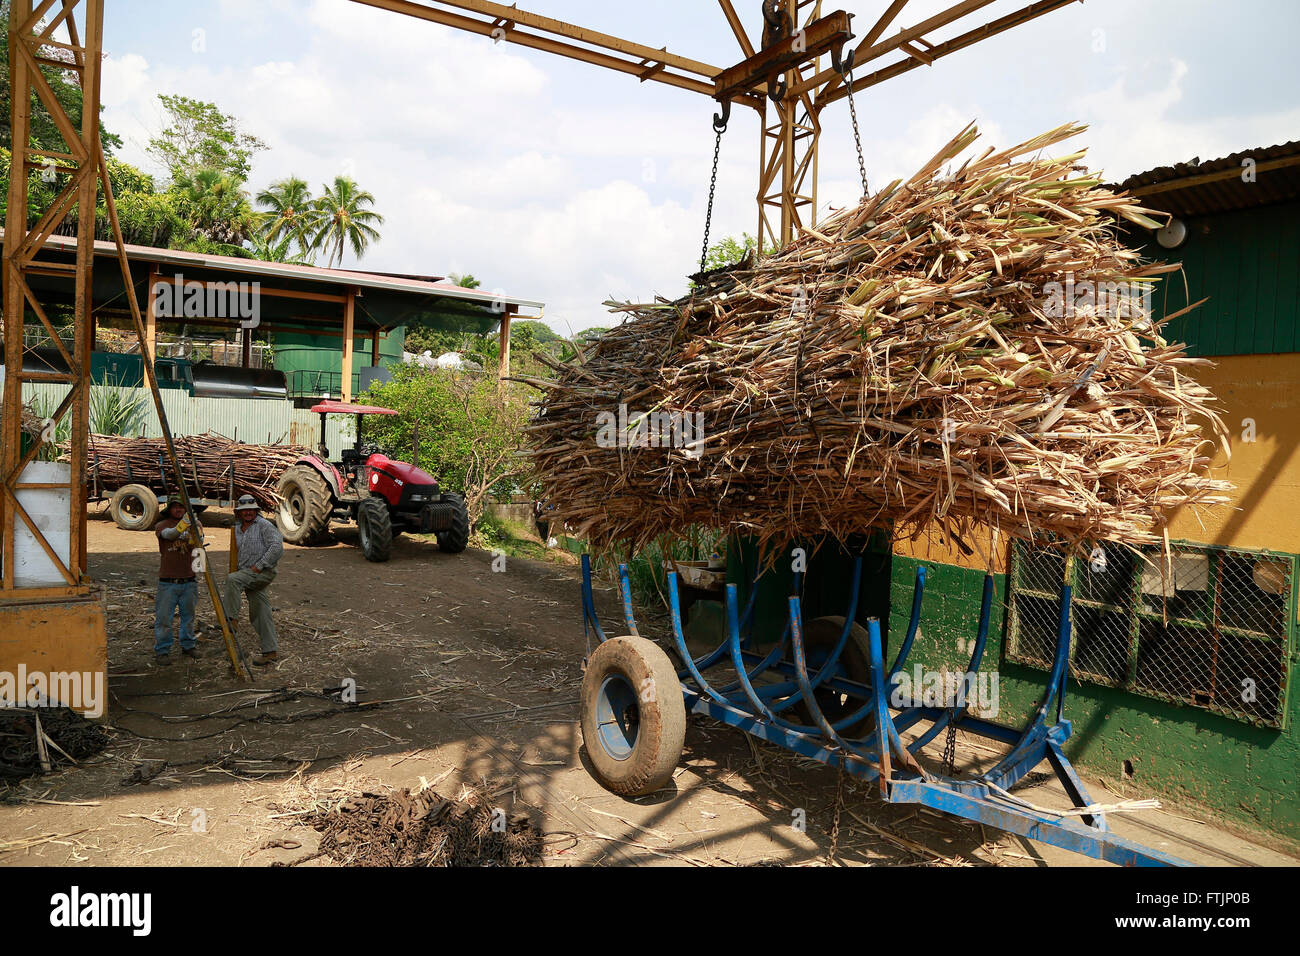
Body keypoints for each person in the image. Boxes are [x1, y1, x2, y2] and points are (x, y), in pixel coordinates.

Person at [224, 495, 284, 666]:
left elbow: (277, 547)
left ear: (256, 511)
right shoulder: (237, 528)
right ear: (239, 513)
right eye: (244, 510)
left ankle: (231, 621)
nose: (248, 513)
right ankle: (270, 651)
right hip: (247, 574)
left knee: (232, 580)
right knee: (261, 612)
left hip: (262, 572)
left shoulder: (264, 525)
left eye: (251, 509)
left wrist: (260, 565)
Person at [155, 494, 202, 665]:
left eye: (182, 507)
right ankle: (162, 650)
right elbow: (171, 535)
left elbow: (199, 548)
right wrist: (186, 524)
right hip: (168, 582)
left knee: (188, 617)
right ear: (170, 509)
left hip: (189, 581)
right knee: (164, 619)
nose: (179, 509)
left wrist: (198, 572)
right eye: (175, 506)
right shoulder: (161, 526)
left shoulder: (196, 525)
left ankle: (188, 645)